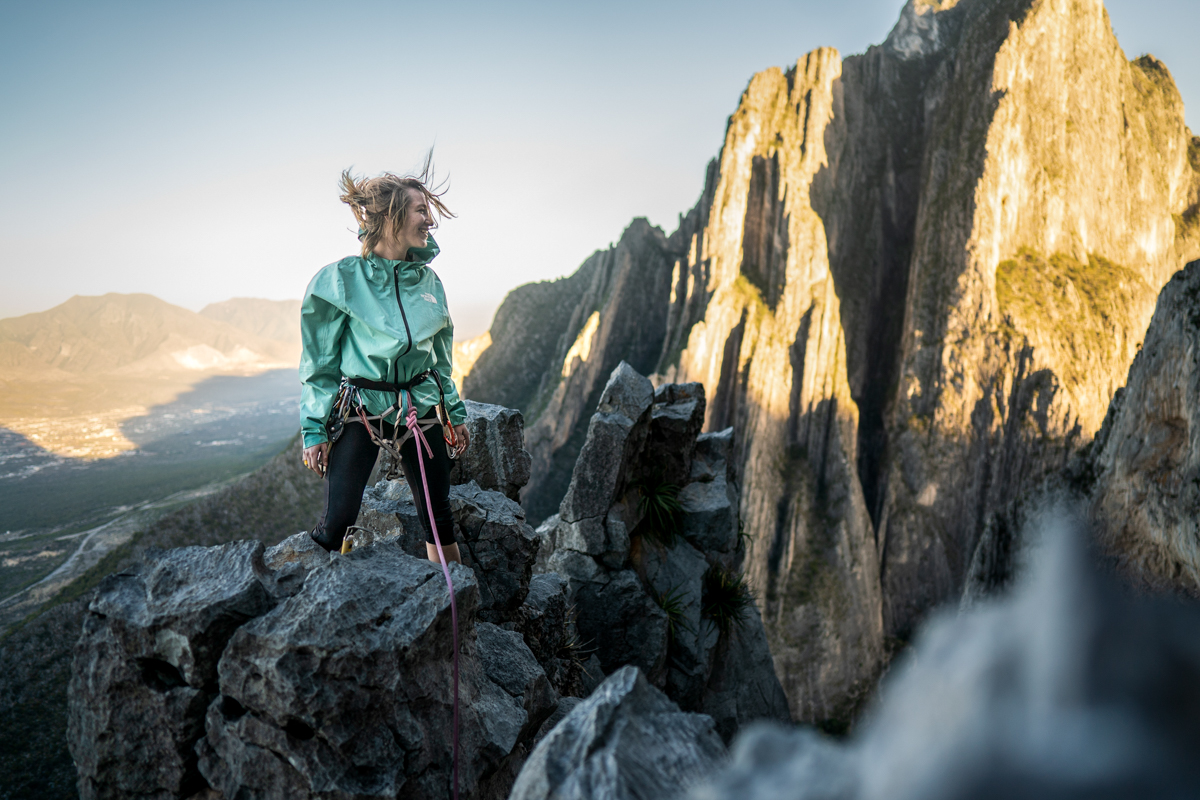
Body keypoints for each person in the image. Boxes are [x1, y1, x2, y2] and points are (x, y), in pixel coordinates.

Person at [299, 154, 470, 563]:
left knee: (438, 517)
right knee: (338, 520)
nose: (429, 221)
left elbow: (441, 359)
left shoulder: (429, 283)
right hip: (362, 405)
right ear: (392, 216)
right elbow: (319, 362)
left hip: (420, 405)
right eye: (420, 210)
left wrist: (454, 413)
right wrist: (314, 429)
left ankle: (457, 612)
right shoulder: (340, 281)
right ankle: (317, 605)